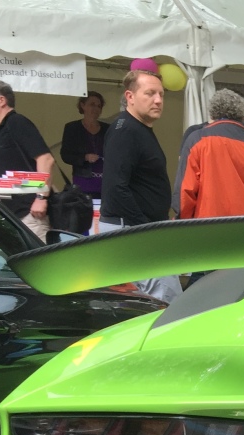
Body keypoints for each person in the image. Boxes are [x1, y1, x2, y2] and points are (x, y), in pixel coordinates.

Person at [99, 69, 180, 303]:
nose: (158, 100)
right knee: (167, 302)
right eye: (150, 93)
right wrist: (146, 228)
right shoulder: (125, 130)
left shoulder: (137, 129)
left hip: (139, 231)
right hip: (132, 232)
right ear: (130, 97)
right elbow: (116, 188)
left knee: (154, 303)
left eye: (161, 95)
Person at [174, 89, 244, 219]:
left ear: (212, 113)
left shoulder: (196, 140)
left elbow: (185, 192)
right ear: (242, 115)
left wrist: (182, 222)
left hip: (207, 225)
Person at [0, 80, 53, 241]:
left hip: (30, 214)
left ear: (1, 100)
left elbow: (46, 159)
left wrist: (41, 198)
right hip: (15, 216)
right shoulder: (3, 128)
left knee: (37, 263)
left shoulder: (17, 122)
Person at [60, 90, 108, 199]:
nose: (96, 108)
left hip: (105, 182)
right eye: (92, 104)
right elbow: (66, 155)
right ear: (83, 105)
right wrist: (84, 157)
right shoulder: (72, 128)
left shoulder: (107, 129)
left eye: (99, 106)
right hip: (83, 181)